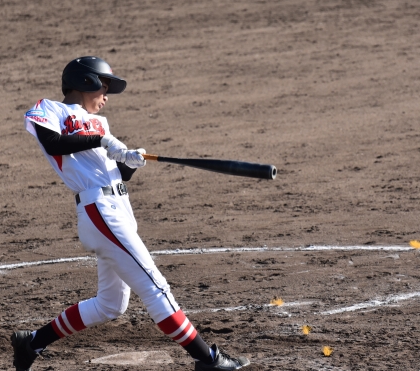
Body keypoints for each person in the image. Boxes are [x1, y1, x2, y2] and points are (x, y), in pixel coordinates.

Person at [13, 56, 250, 371]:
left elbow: (114, 172)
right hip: (99, 211)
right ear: (86, 81)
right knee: (155, 286)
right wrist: (103, 140)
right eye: (104, 86)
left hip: (118, 210)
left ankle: (31, 343)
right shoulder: (51, 109)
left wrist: (129, 162)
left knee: (110, 304)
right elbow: (54, 143)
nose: (106, 96)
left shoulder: (100, 123)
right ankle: (207, 359)